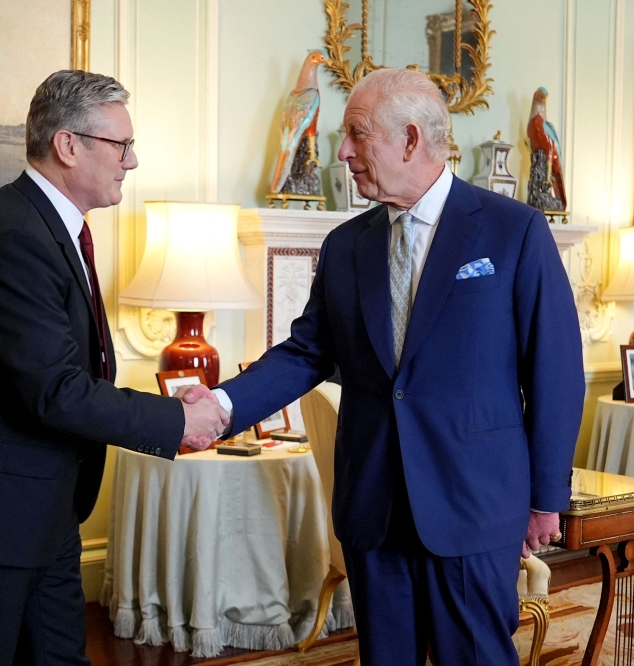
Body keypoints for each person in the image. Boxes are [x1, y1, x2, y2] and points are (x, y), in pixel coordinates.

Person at [182, 68, 584, 665]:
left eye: (356, 134)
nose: (341, 151)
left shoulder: (513, 230)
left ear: (411, 139)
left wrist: (547, 496)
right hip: (374, 505)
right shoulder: (347, 245)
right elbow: (308, 351)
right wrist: (221, 405)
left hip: (472, 505)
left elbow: (554, 370)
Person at [0, 70, 228, 666]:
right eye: (121, 145)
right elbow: (55, 390)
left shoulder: (48, 225)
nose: (132, 160)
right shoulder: (16, 235)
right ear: (68, 145)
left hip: (40, 506)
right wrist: (171, 421)